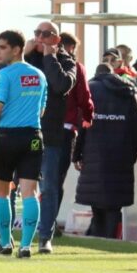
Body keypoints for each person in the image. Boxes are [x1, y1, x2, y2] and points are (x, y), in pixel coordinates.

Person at [0, 30, 47, 258]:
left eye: (2, 47)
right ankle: (27, 245)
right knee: (30, 192)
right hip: (33, 136)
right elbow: (41, 110)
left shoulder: (5, 75)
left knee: (1, 192)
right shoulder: (39, 75)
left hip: (7, 137)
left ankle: (5, 242)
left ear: (17, 49)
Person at [24, 21, 76, 254]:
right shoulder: (28, 59)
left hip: (51, 134)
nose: (39, 38)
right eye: (36, 33)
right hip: (23, 130)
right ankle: (6, 235)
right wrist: (23, 53)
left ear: (56, 39)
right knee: (17, 184)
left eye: (45, 34)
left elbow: (61, 84)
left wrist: (49, 57)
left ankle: (45, 236)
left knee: (50, 187)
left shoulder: (66, 61)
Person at [73, 63, 137, 239]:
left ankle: (98, 237)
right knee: (114, 203)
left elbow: (82, 126)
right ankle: (109, 237)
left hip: (93, 151)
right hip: (121, 153)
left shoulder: (90, 90)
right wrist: (133, 152)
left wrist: (76, 154)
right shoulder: (127, 91)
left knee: (96, 200)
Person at [41, 32, 94, 242]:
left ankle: (45, 224)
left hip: (40, 127)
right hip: (63, 129)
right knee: (54, 181)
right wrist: (88, 118)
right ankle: (48, 224)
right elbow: (85, 97)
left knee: (41, 182)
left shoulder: (39, 64)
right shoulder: (74, 67)